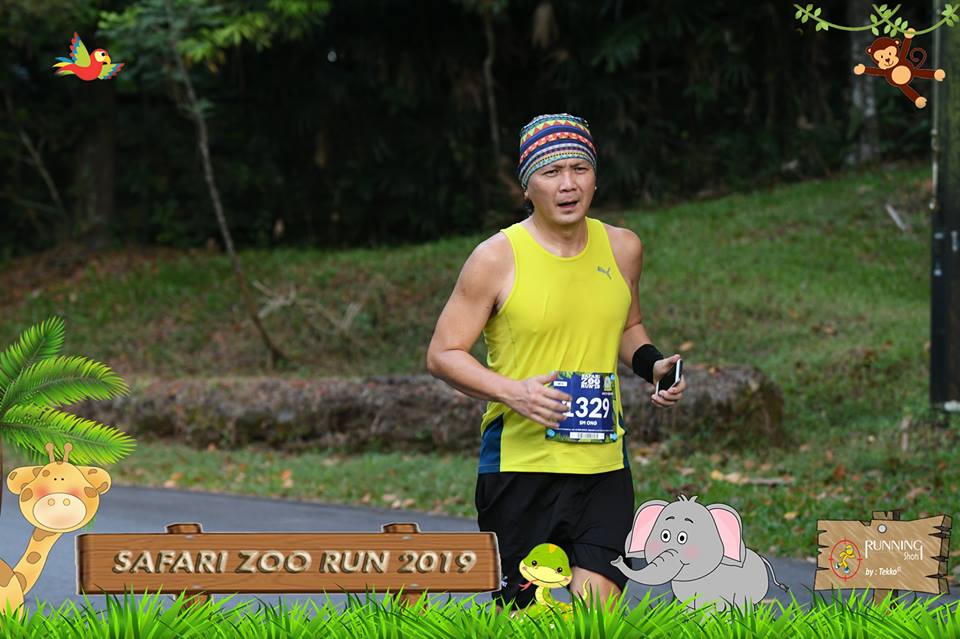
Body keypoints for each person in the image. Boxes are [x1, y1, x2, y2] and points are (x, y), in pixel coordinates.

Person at [425, 113, 687, 609]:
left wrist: (653, 366)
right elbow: (443, 354)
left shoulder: (623, 247)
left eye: (579, 169)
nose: (568, 185)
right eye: (551, 172)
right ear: (528, 187)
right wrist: (514, 392)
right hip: (521, 465)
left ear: (594, 177)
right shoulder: (496, 257)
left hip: (603, 464)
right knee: (527, 618)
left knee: (596, 619)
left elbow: (627, 326)